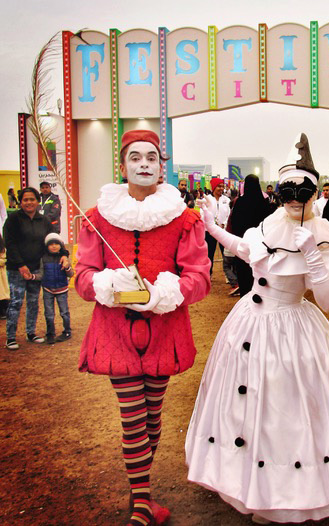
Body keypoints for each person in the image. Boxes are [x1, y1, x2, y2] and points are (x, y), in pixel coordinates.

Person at [186, 133, 329, 524]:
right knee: (248, 407)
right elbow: (245, 250)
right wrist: (212, 227)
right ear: (278, 191)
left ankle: (289, 492)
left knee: (284, 411)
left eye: (303, 191)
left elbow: (328, 300)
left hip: (292, 331)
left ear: (315, 192)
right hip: (249, 324)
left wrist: (313, 255)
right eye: (287, 189)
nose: (294, 198)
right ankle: (248, 484)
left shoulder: (322, 234)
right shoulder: (268, 224)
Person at [74, 129, 211, 526]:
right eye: (135, 157)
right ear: (122, 166)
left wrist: (164, 293)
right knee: (133, 419)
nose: (144, 164)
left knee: (152, 418)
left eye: (151, 157)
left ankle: (141, 489)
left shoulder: (184, 219)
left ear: (161, 167)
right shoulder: (97, 218)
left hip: (163, 334)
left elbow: (200, 277)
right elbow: (83, 276)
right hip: (114, 334)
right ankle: (141, 503)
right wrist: (107, 283)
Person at [4, 187, 54, 349]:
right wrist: (20, 265)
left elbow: (52, 240)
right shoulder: (13, 220)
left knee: (33, 301)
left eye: (32, 199)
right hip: (16, 269)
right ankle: (10, 337)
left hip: (36, 269)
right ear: (20, 202)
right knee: (16, 302)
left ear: (38, 201)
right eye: (25, 200)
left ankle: (30, 332)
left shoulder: (44, 220)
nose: (29, 202)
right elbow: (10, 244)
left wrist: (63, 254)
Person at [226, 174, 271, 296]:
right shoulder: (264, 203)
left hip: (243, 246)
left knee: (244, 275)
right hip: (261, 247)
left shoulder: (240, 203)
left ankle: (245, 299)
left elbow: (234, 223)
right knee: (259, 274)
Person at [37, 232, 74, 344]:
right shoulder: (43, 258)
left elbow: (71, 274)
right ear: (47, 246)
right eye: (51, 244)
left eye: (56, 244)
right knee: (49, 313)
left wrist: (67, 267)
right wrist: (32, 277)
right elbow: (41, 274)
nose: (54, 246)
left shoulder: (64, 258)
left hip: (62, 289)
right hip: (48, 289)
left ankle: (67, 331)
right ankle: (50, 334)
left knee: (64, 312)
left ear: (61, 245)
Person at [203, 178, 231, 279]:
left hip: (223, 231)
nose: (221, 188)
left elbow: (229, 214)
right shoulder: (206, 199)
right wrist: (211, 224)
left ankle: (229, 276)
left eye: (222, 186)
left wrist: (224, 223)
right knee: (209, 254)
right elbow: (202, 214)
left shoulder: (227, 200)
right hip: (209, 231)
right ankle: (208, 275)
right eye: (219, 186)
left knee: (226, 254)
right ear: (214, 187)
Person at [0, 233, 8, 319]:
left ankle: (3, 311)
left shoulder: (2, 249)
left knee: (2, 294)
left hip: (1, 274)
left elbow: (4, 259)